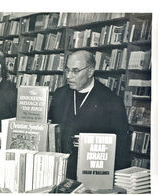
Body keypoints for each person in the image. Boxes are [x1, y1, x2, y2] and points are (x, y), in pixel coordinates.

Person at [48, 50, 130, 179]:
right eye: (67, 70)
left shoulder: (111, 100)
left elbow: (120, 149)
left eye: (75, 71)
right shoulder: (59, 94)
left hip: (93, 174)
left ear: (91, 71)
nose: (69, 76)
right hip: (60, 171)